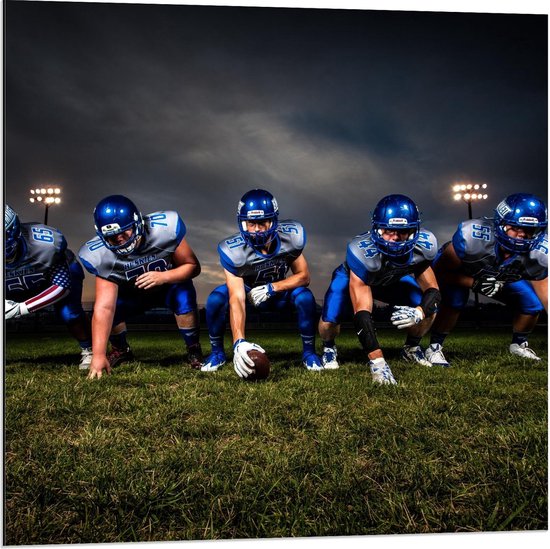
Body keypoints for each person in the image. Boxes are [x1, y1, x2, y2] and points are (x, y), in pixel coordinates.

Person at [318, 194, 440, 385]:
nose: (395, 238)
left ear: (414, 230)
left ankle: (411, 348)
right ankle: (328, 347)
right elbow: (362, 313)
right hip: (357, 277)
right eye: (388, 231)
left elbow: (433, 291)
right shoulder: (361, 252)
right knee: (330, 319)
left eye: (403, 231)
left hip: (390, 280)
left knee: (430, 307)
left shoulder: (425, 246)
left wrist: (419, 311)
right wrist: (378, 362)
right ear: (377, 229)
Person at [201, 188, 323, 377]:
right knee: (216, 298)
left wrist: (273, 287)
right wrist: (239, 342)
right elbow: (236, 297)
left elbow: (304, 277)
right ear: (243, 223)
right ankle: (217, 352)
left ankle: (309, 353)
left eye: (262, 223)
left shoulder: (290, 238)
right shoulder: (233, 250)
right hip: (248, 294)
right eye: (251, 223)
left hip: (278, 293)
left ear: (272, 221)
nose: (256, 229)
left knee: (305, 297)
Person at [78, 195, 203, 379]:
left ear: (137, 223)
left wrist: (164, 276)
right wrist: (98, 355)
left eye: (124, 232)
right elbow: (104, 307)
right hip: (132, 294)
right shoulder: (99, 255)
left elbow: (193, 266)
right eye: (112, 237)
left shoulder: (165, 229)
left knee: (184, 295)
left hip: (167, 287)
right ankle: (121, 349)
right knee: (108, 310)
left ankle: (193, 348)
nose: (120, 240)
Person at [426, 193, 548, 366]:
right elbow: (440, 271)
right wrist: (474, 283)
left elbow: (544, 287)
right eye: (515, 228)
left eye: (529, 230)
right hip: (461, 272)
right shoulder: (472, 236)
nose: (521, 236)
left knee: (532, 304)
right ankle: (435, 346)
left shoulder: (541, 252)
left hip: (500, 275)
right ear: (500, 223)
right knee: (455, 301)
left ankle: (519, 344)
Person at [4, 204, 93, 369]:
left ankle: (89, 349)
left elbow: (62, 286)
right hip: (12, 285)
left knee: (69, 314)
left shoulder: (44, 245)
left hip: (52, 278)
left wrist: (22, 308)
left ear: (13, 230)